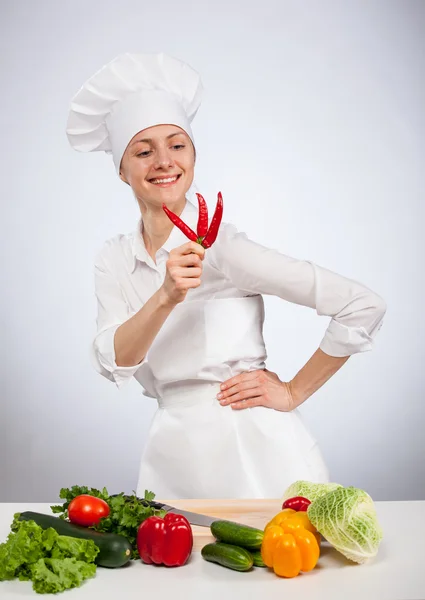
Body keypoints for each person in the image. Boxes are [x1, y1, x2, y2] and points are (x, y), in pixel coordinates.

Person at [66, 53, 386, 499]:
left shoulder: (223, 246)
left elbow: (361, 305)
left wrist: (293, 392)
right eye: (143, 151)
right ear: (121, 169)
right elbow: (112, 361)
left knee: (280, 561)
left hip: (255, 449)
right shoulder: (114, 259)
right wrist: (165, 295)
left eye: (177, 145)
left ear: (193, 156)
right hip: (172, 451)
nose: (163, 161)